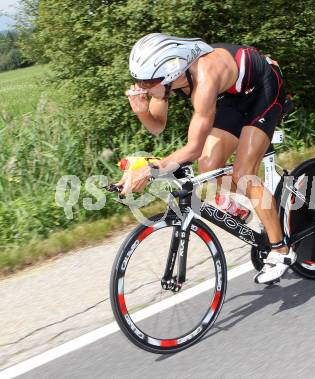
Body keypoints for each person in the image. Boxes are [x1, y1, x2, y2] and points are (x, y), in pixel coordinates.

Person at [118, 33, 295, 284]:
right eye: (139, 81)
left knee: (244, 174)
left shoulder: (204, 79)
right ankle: (252, 204)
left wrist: (151, 169)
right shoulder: (168, 81)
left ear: (170, 72)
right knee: (208, 167)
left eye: (148, 82)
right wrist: (143, 112)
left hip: (264, 87)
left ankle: (281, 250)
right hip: (235, 96)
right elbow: (157, 126)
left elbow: (193, 147)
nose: (142, 87)